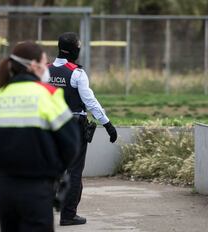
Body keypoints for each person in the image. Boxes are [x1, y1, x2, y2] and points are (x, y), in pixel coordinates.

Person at [0, 41, 80, 231]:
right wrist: (55, 171)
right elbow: (71, 143)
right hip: (38, 188)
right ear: (33, 65)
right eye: (44, 62)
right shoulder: (49, 94)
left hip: (3, 188)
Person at [48, 32, 118, 226]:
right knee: (74, 172)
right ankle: (68, 215)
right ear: (74, 50)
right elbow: (90, 102)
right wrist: (108, 124)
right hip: (73, 127)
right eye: (78, 47)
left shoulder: (45, 71)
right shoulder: (77, 73)